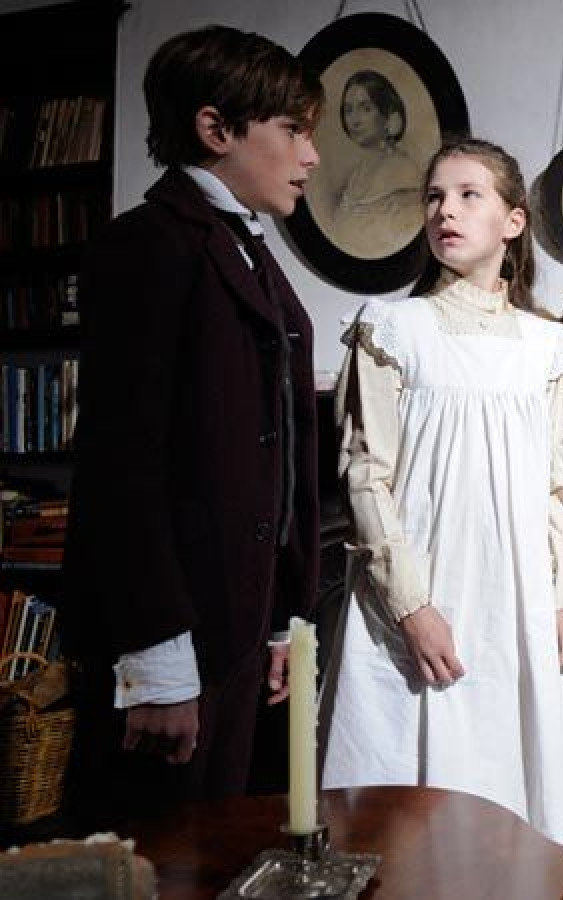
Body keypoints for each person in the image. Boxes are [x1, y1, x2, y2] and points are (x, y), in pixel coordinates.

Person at [319, 136, 563, 872]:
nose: (446, 210)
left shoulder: (547, 347)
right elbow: (365, 477)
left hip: (514, 607)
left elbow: (557, 486)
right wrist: (412, 608)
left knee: (511, 823)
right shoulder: (392, 330)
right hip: (417, 606)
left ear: (513, 221)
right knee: (406, 828)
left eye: (468, 195)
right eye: (435, 197)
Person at [60, 25, 323, 826]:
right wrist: (156, 661)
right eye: (293, 131)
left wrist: (282, 618)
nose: (311, 156)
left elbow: (272, 447)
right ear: (217, 129)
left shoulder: (247, 246)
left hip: (239, 630)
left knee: (221, 852)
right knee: (153, 860)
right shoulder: (146, 245)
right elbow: (122, 465)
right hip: (176, 636)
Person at [326, 69, 422, 258]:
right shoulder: (358, 174)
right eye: (349, 110)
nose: (354, 120)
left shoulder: (403, 170)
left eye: (366, 108)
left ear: (387, 116)